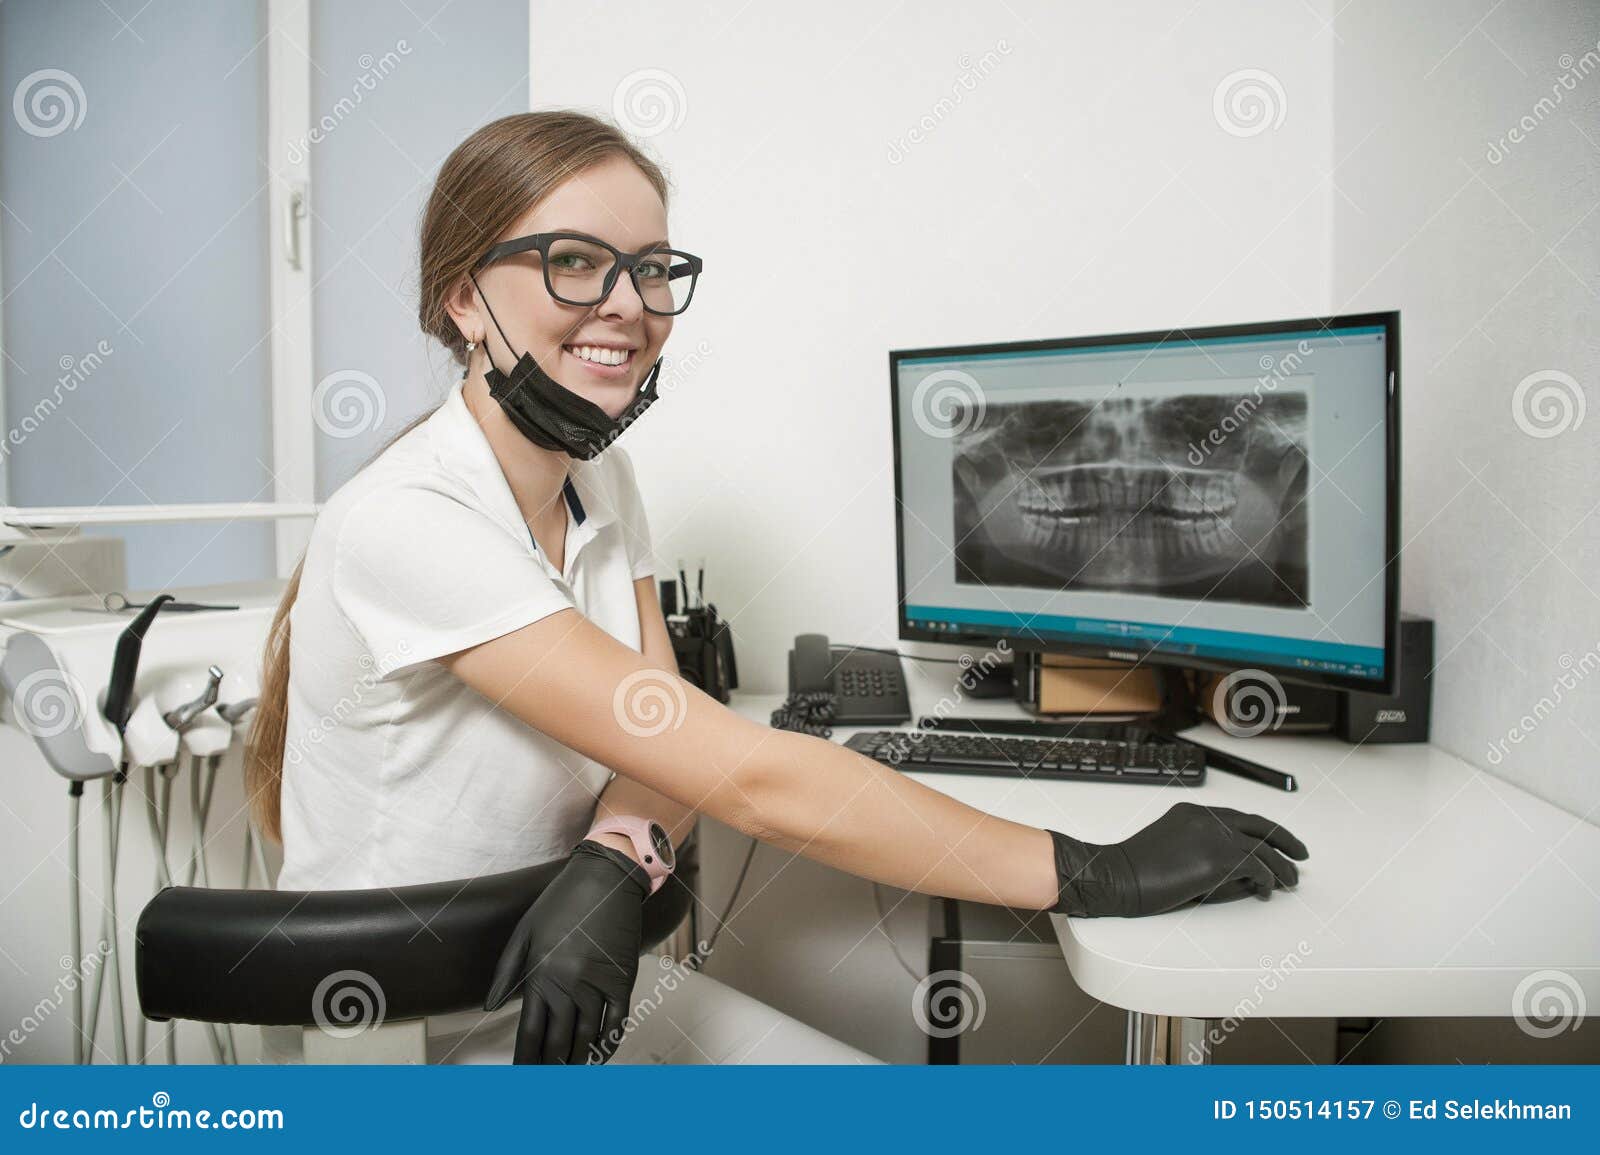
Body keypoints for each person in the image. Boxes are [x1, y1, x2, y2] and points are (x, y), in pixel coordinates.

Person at [244, 109, 1308, 1066]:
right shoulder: (409, 522)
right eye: (576, 262)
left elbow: (666, 722)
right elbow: (747, 779)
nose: (630, 304)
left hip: (555, 990)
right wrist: (1093, 873)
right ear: (464, 299)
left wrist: (617, 853)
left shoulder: (599, 475)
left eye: (651, 268)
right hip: (407, 1034)